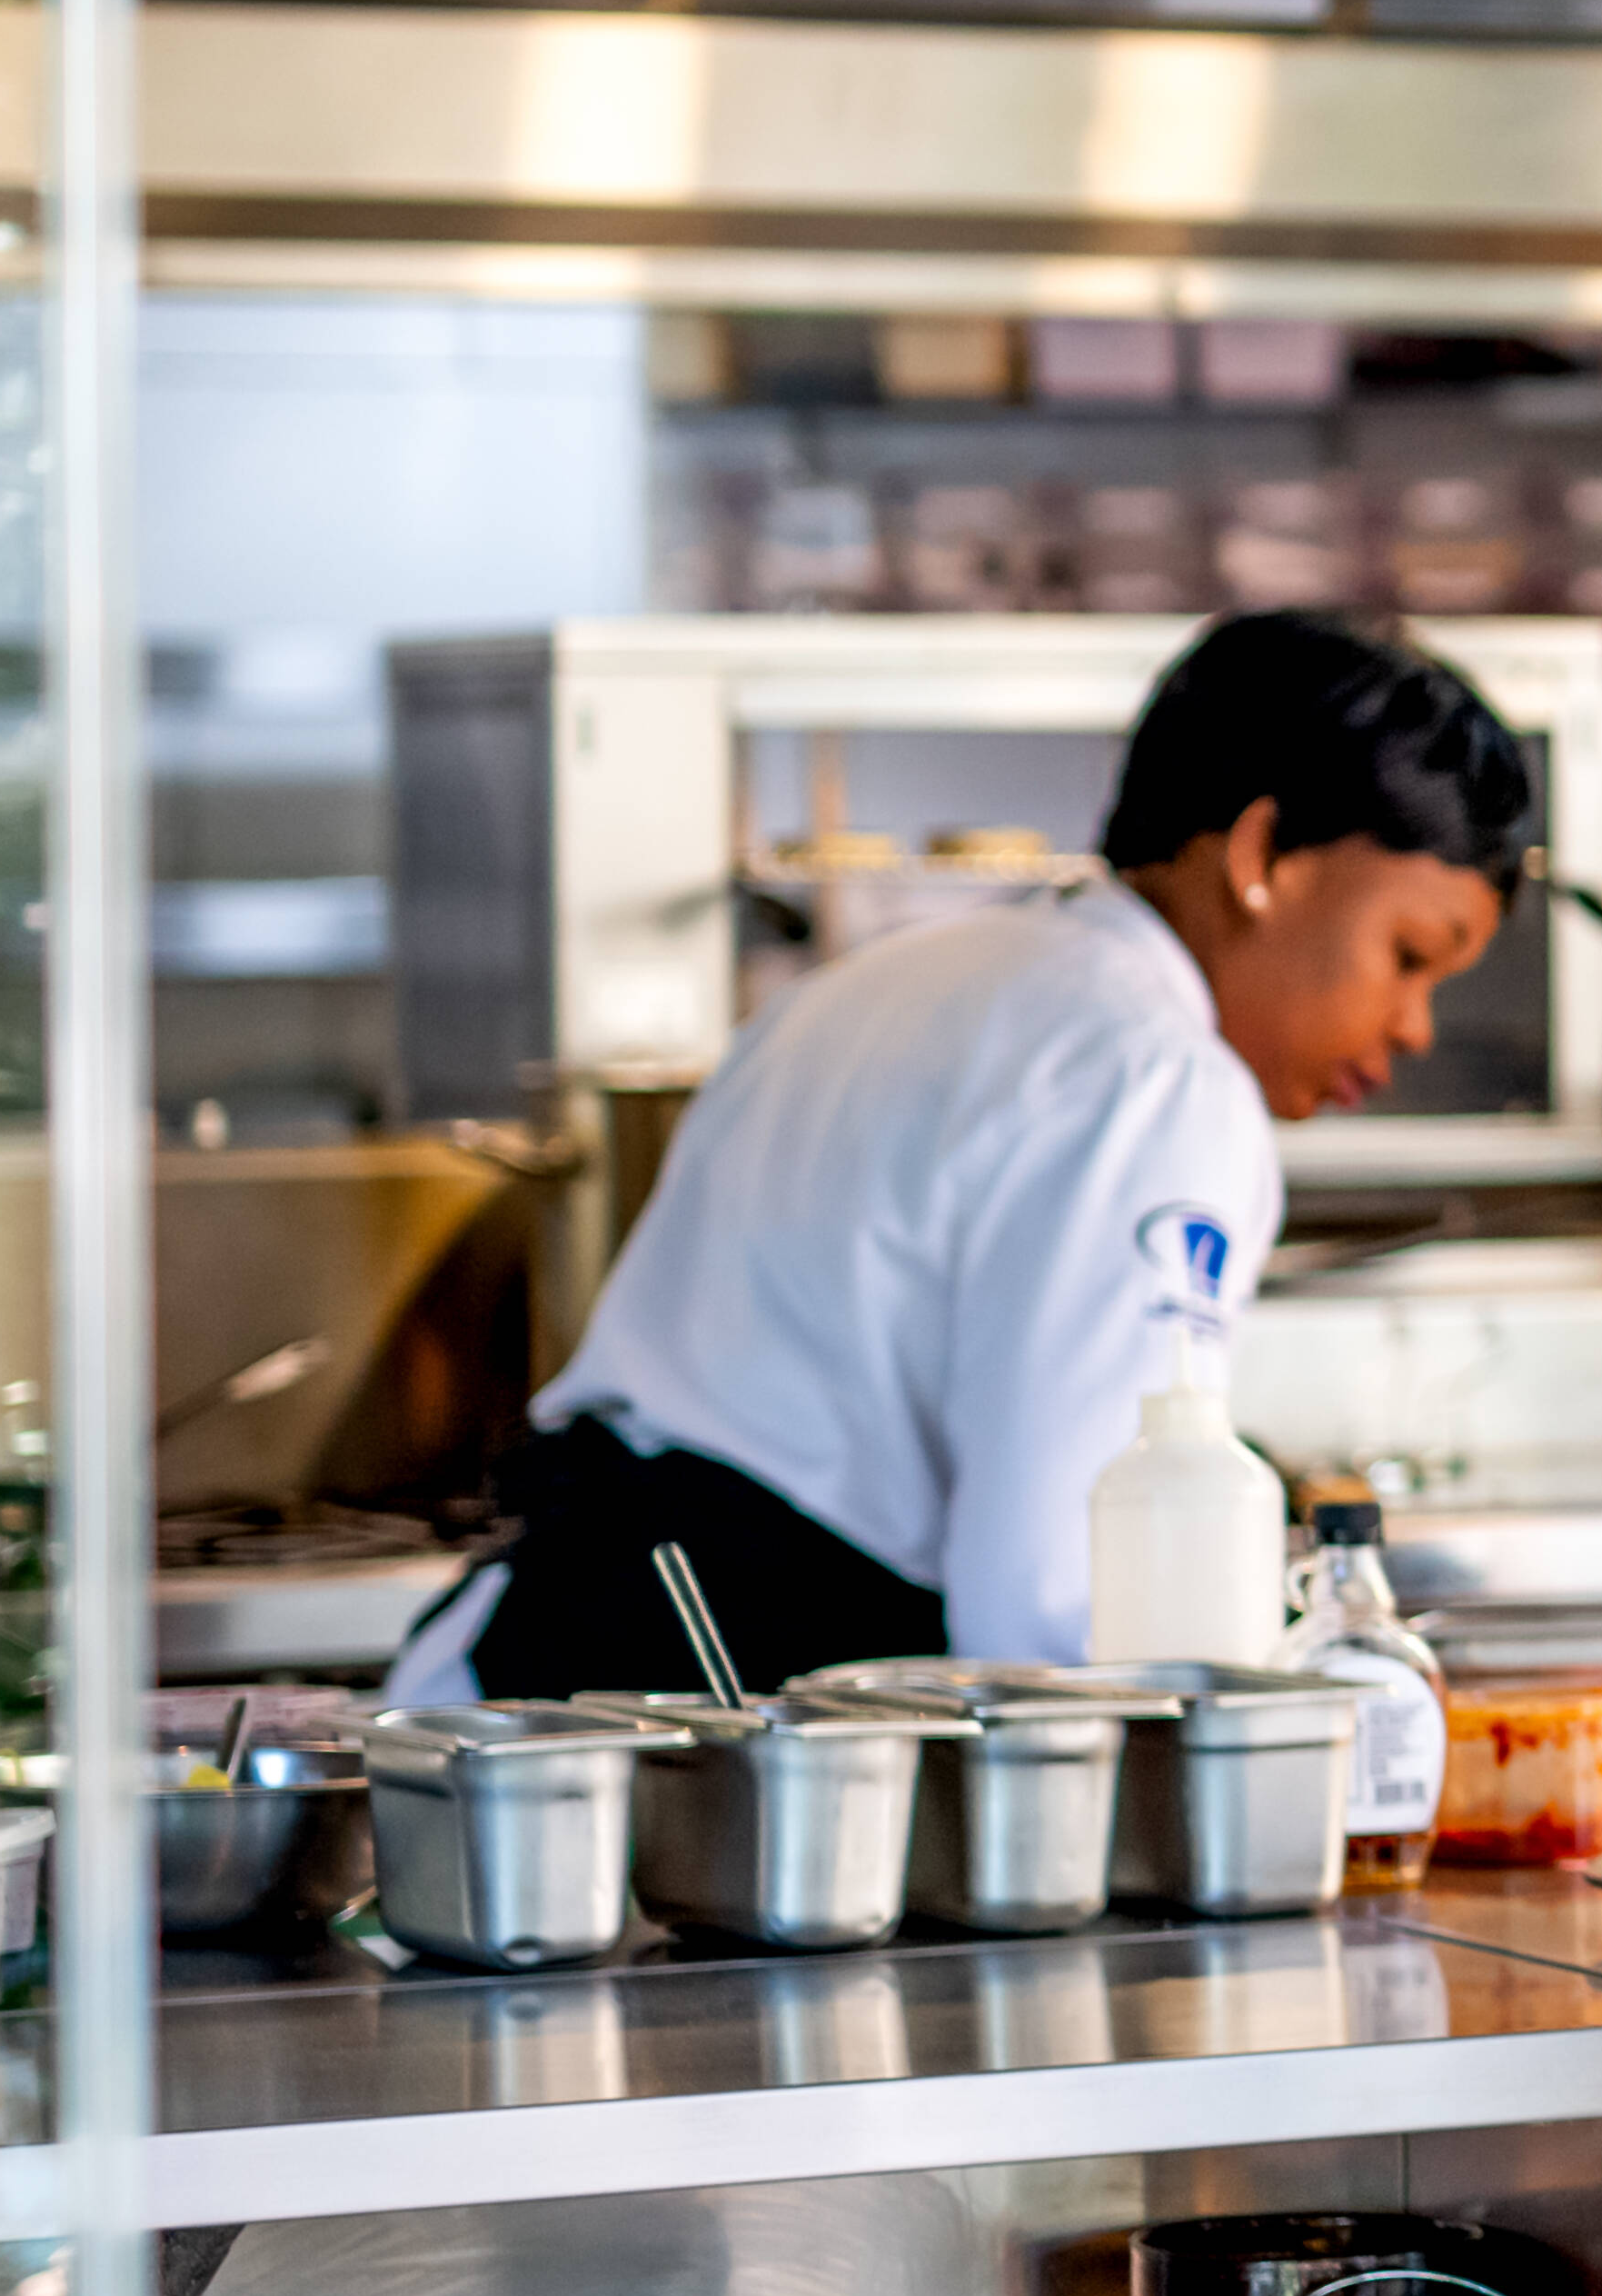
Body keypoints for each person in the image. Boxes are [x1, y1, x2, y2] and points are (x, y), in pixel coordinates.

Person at [389, 610, 1537, 1703]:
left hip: (544, 1660)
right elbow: (1060, 1600)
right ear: (1264, 855)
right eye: (1409, 955)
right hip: (742, 1733)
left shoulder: (891, 981)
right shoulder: (1156, 1081)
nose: (1414, 1027)